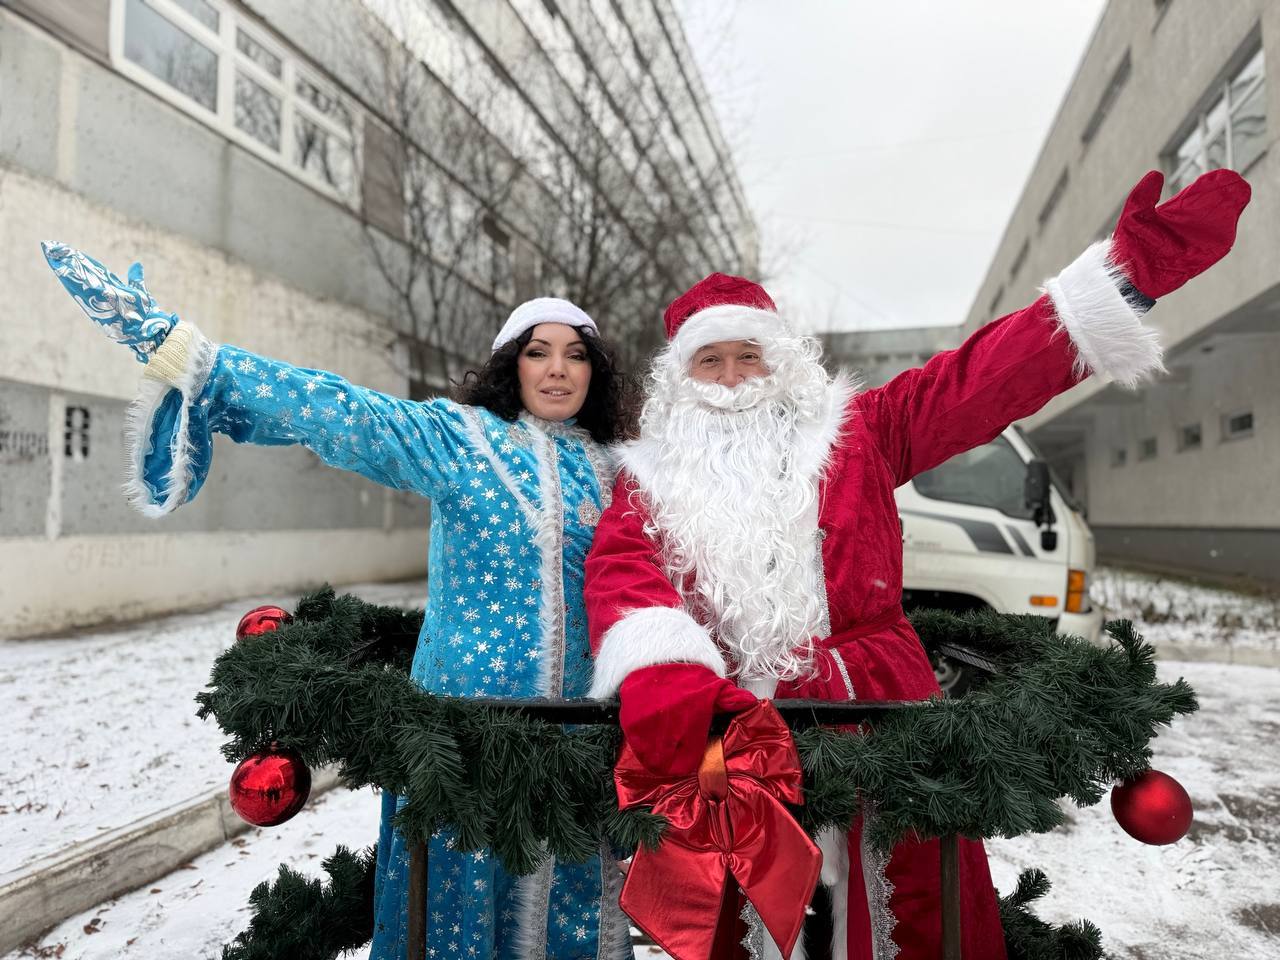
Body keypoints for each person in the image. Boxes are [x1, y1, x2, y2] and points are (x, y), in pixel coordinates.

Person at [582, 169, 1250, 960]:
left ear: (783, 364)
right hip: (734, 731)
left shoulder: (862, 432)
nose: (732, 381)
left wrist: (1119, 279)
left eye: (749, 358)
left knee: (909, 906)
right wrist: (672, 680)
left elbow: (978, 379)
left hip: (876, 710)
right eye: (711, 363)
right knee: (749, 921)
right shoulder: (652, 479)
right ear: (681, 382)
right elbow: (624, 571)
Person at [42, 242, 635, 960]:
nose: (557, 369)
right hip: (462, 745)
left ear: (593, 372)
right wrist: (202, 361)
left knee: (573, 911)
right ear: (511, 363)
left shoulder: (618, 470)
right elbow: (346, 414)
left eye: (575, 355)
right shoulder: (461, 440)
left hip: (578, 744)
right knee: (451, 917)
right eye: (539, 352)